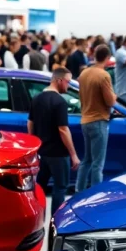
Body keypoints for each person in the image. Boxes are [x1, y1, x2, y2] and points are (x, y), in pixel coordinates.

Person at [28, 68, 81, 212]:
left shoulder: (36, 98)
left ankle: (37, 214)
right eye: (68, 82)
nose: (68, 86)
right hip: (58, 153)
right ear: (59, 80)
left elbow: (30, 123)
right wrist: (73, 155)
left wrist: (34, 145)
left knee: (39, 186)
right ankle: (55, 220)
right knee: (60, 187)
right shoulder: (60, 102)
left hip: (41, 152)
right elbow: (63, 129)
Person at [76, 44, 116, 191]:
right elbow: (110, 101)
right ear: (107, 58)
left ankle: (79, 191)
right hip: (99, 121)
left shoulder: (84, 73)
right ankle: (95, 195)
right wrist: (115, 96)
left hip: (85, 120)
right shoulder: (104, 75)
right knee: (98, 164)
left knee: (86, 160)